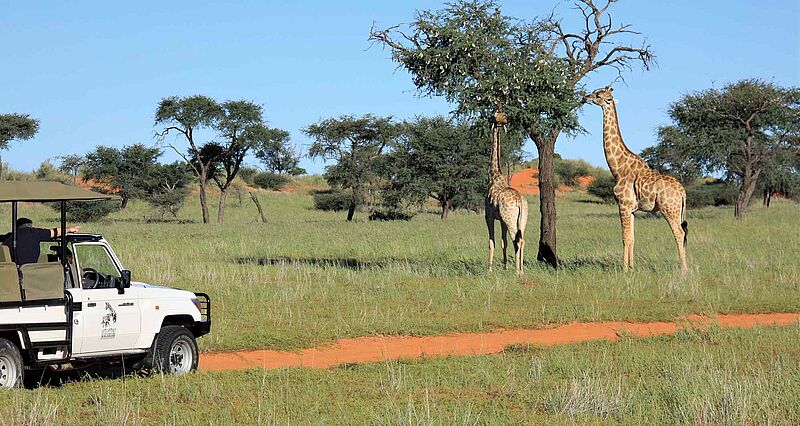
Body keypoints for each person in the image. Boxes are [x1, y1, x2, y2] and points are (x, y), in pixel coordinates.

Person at [1, 218, 80, 265]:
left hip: (15, 270)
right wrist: (70, 229)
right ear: (30, 226)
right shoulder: (35, 232)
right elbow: (55, 232)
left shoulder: (10, 237)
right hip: (32, 269)